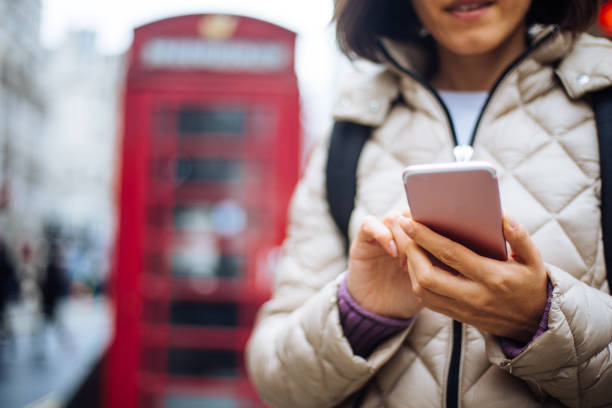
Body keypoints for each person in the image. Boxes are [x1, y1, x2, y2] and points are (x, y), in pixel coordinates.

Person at [246, 0, 612, 407]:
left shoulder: (604, 108)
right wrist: (360, 314)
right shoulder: (353, 128)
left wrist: (539, 319)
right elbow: (276, 382)